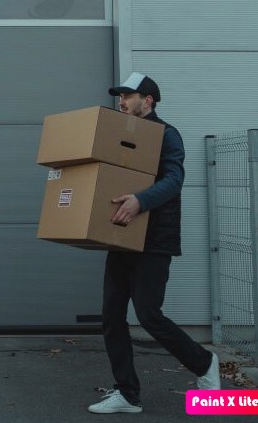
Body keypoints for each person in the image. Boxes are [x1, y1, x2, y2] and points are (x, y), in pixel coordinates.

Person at [87, 72, 221, 414]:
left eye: (128, 96)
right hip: (122, 236)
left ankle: (205, 363)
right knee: (111, 316)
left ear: (147, 100)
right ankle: (127, 394)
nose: (121, 101)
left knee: (148, 315)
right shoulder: (122, 135)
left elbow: (174, 179)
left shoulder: (167, 134)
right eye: (120, 96)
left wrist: (140, 201)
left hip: (155, 238)